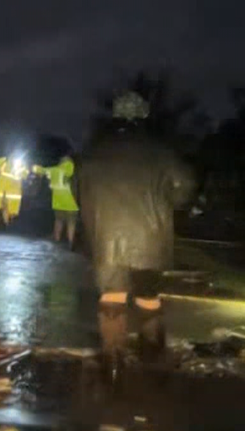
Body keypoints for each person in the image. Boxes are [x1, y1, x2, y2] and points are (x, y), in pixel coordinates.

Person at [75, 92, 196, 381]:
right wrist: (169, 203)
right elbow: (184, 187)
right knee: (148, 297)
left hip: (108, 241)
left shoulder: (95, 151)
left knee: (112, 297)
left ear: (115, 116)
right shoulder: (159, 151)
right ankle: (152, 357)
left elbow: (77, 189)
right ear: (143, 116)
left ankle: (113, 361)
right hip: (150, 239)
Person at [34, 155, 79, 248]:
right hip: (70, 203)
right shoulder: (73, 172)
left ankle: (57, 240)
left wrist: (35, 167)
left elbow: (42, 170)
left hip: (58, 202)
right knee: (71, 223)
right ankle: (71, 243)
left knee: (59, 221)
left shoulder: (54, 170)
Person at [0, 156, 27, 225]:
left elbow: (24, 174)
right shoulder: (3, 163)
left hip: (10, 189)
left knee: (5, 201)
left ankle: (8, 216)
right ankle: (4, 216)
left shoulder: (18, 165)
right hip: (4, 188)